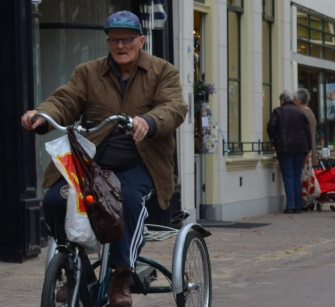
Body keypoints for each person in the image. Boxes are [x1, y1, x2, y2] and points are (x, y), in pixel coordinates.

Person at [21, 10, 188, 307]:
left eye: (127, 40)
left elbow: (174, 107)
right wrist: (42, 116)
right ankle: (77, 271)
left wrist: (149, 121)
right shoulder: (88, 72)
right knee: (54, 201)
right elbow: (66, 100)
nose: (120, 46)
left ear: (141, 40)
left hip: (141, 163)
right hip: (92, 164)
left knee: (128, 201)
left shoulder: (163, 72)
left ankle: (121, 275)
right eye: (114, 40)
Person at [267, 90, 311, 214]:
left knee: (288, 176)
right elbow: (307, 131)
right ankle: (298, 205)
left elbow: (271, 127)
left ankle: (290, 206)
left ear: (282, 100)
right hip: (300, 148)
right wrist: (307, 149)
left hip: (285, 148)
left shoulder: (278, 111)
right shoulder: (300, 112)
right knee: (297, 176)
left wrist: (274, 139)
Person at [293, 88, 318, 167]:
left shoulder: (303, 113)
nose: (293, 102)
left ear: (299, 101)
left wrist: (306, 152)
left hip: (306, 153)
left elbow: (305, 134)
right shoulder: (309, 112)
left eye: (294, 99)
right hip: (309, 151)